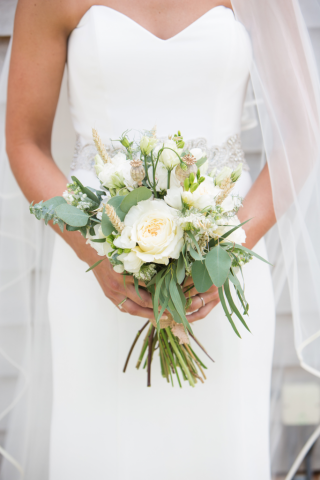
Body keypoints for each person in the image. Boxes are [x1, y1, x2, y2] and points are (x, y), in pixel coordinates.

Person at [5, 0, 297, 478]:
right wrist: (96, 254)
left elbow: (303, 135)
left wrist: (227, 249)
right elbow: (25, 142)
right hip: (95, 269)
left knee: (220, 447)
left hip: (225, 268)